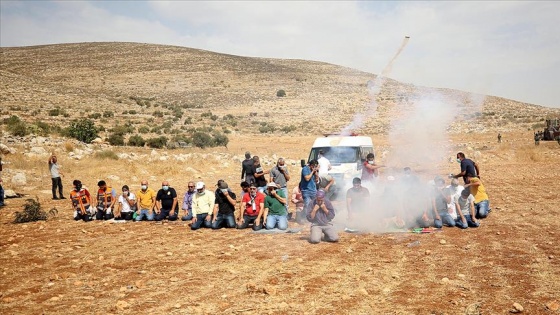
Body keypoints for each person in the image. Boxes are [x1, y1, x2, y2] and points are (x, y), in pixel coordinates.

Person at [299, 159, 319, 224]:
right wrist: (312, 172)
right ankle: (306, 218)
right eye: (314, 166)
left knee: (316, 204)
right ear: (311, 165)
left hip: (313, 190)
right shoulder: (305, 169)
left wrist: (316, 174)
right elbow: (307, 178)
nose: (315, 168)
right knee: (307, 205)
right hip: (306, 190)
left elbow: (316, 180)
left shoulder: (314, 170)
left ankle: (315, 217)